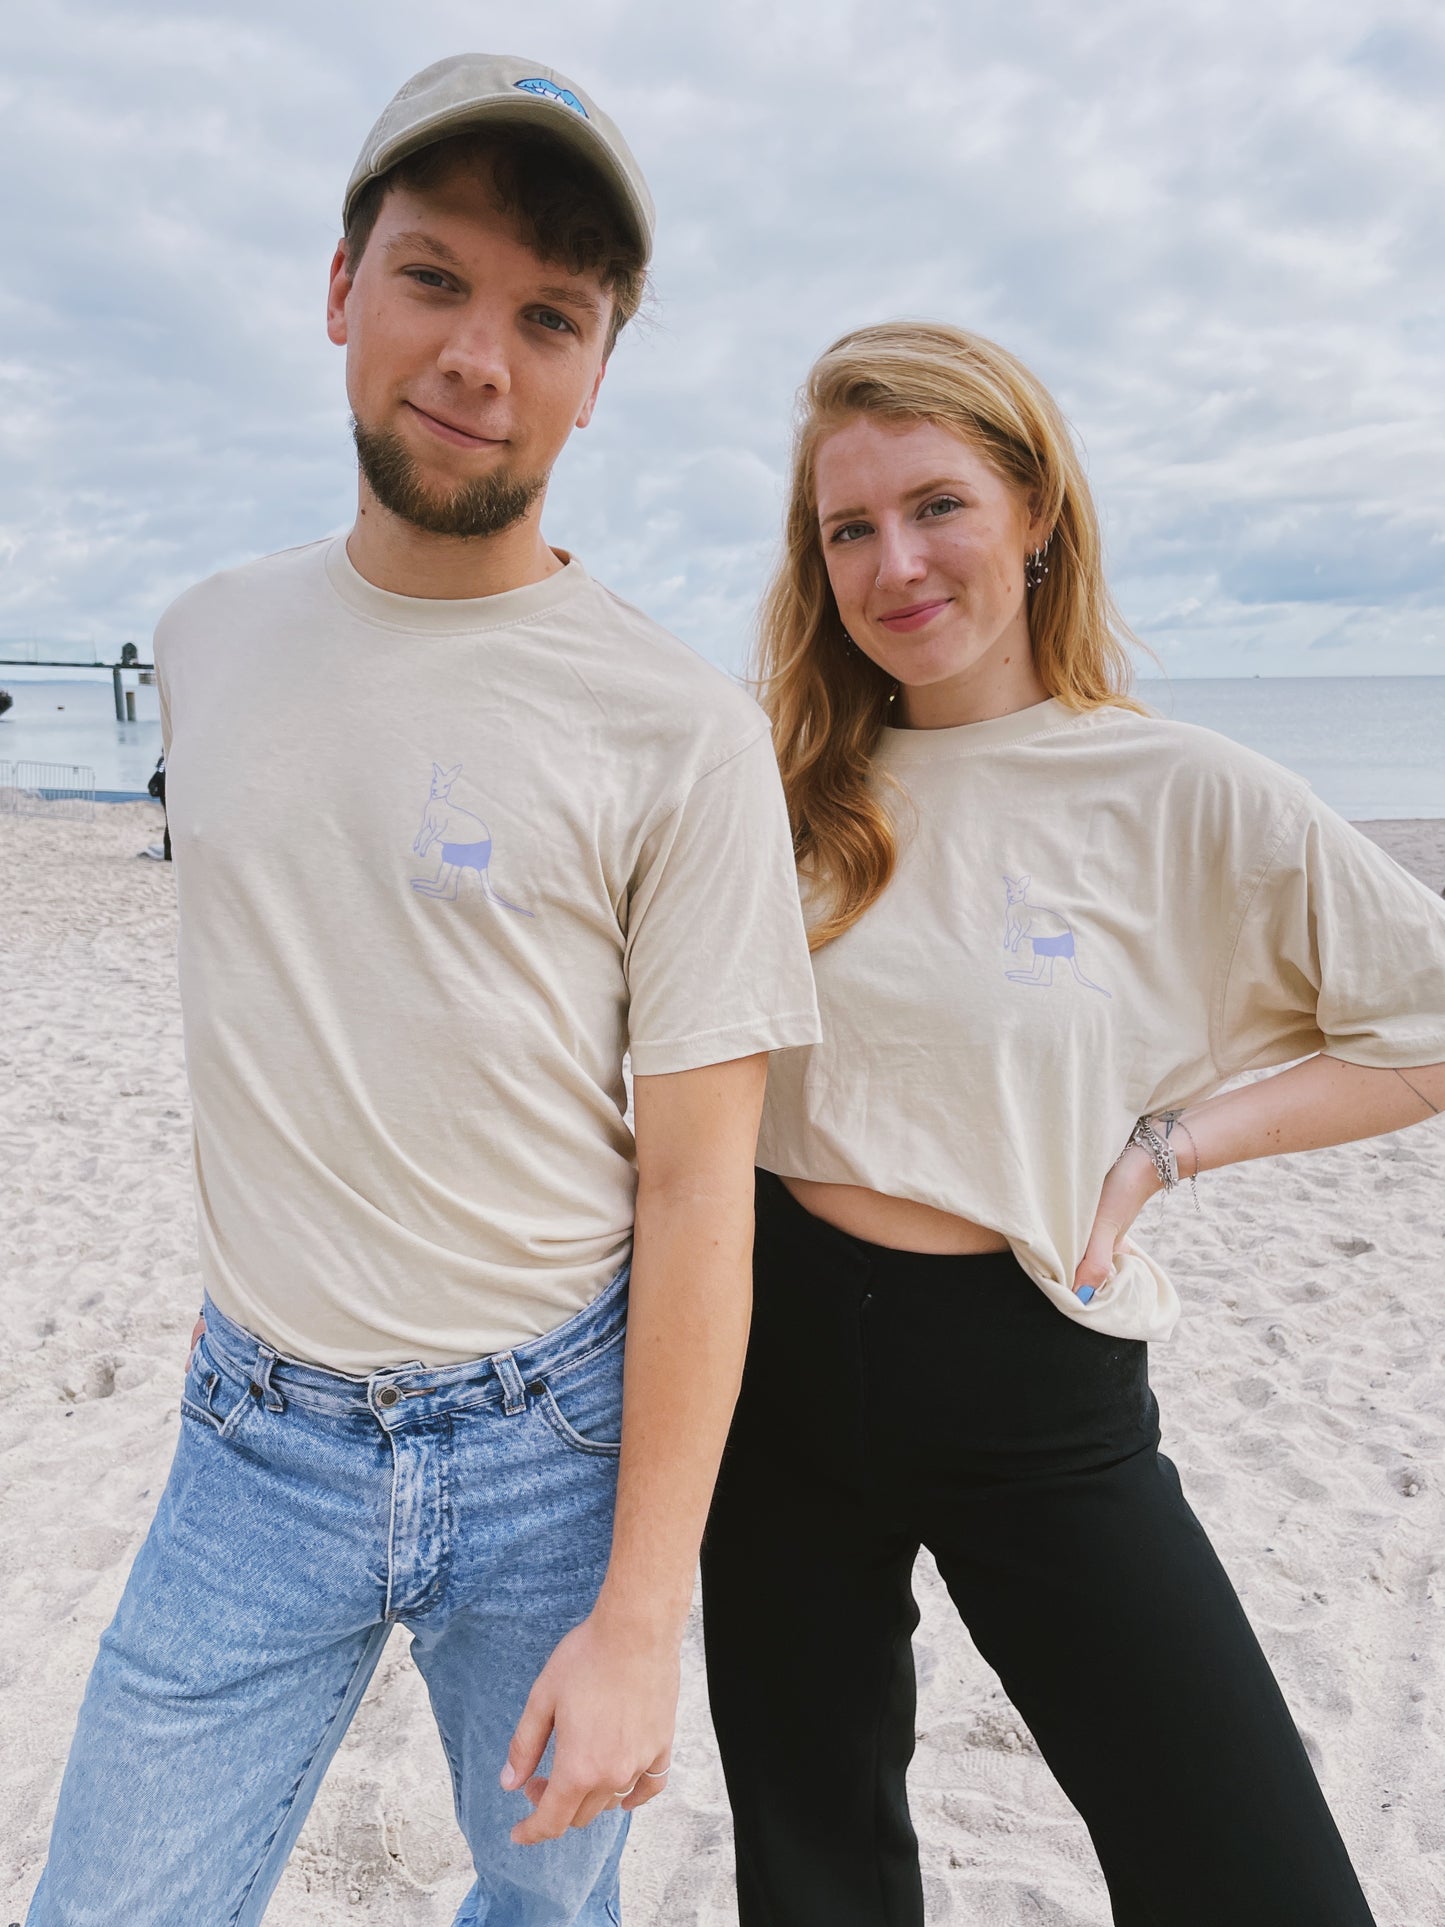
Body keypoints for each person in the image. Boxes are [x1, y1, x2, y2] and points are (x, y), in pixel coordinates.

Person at [27, 54, 818, 1927]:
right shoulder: (206, 637)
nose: (482, 355)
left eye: (549, 315)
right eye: (435, 277)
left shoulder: (681, 732)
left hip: (551, 1439)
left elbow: (702, 1186)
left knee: (549, 1907)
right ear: (338, 291)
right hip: (254, 1435)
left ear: (597, 371)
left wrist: (643, 1613)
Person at [699, 319, 1445, 1926]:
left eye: (936, 505)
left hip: (1029, 1373)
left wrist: (1172, 1149)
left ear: (1035, 512)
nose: (893, 562)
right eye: (848, 529)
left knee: (1250, 1876)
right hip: (765, 1366)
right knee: (816, 1870)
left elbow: (1426, 1026)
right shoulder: (774, 789)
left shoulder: (1182, 791)